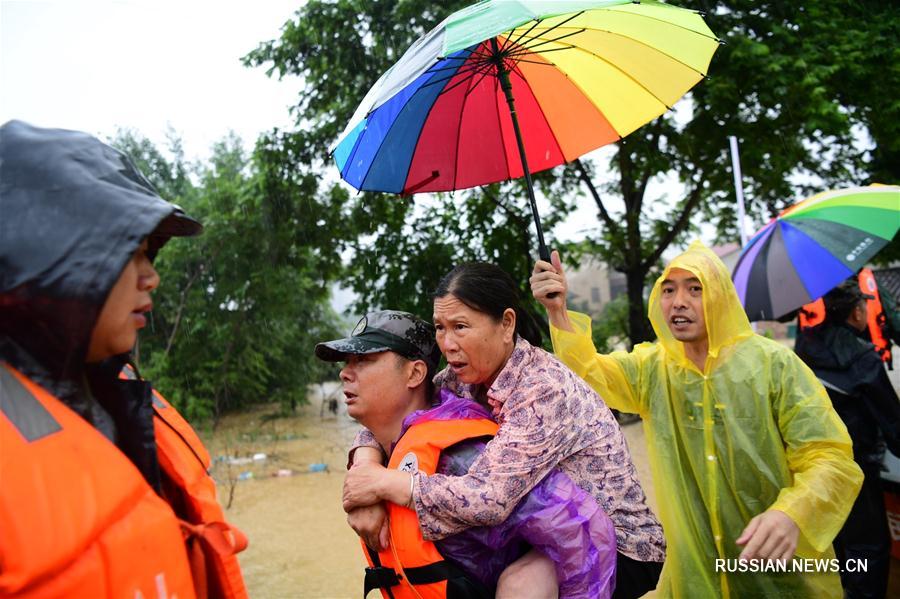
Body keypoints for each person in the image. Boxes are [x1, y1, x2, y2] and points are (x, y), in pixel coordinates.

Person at [530, 240, 864, 598]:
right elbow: (590, 373)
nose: (679, 302)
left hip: (780, 573)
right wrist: (558, 312)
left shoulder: (774, 366)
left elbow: (829, 456)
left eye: (695, 289)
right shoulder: (653, 370)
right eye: (668, 290)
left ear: (720, 297)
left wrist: (792, 513)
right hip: (696, 576)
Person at [0, 120, 247, 598]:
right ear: (53, 261)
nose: (151, 277)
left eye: (150, 255)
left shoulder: (113, 396)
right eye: (130, 254)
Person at [342, 265, 666, 599]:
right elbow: (402, 411)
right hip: (541, 528)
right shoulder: (461, 378)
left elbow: (488, 500)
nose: (448, 344)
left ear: (506, 324)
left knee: (518, 585)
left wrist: (383, 484)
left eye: (461, 327)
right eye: (440, 328)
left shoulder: (541, 388)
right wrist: (366, 468)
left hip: (618, 541)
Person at [317, 309, 617, 598]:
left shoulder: (461, 457)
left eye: (363, 360)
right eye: (346, 362)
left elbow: (578, 526)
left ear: (415, 373)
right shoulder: (384, 449)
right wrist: (363, 478)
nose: (345, 373)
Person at [795, 280, 900, 598]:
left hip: (812, 466)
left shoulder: (804, 348)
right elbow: (892, 422)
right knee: (867, 546)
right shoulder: (863, 357)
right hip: (855, 468)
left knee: (833, 540)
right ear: (857, 311)